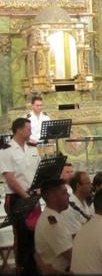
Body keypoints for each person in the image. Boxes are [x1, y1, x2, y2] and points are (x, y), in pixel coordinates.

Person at [0, 118, 41, 275]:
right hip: (17, 198)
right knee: (22, 235)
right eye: (28, 128)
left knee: (35, 234)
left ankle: (35, 266)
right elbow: (10, 177)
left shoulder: (32, 149)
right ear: (18, 130)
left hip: (32, 196)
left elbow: (37, 172)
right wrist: (25, 196)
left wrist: (37, 191)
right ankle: (23, 269)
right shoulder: (6, 150)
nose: (30, 131)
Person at [34, 179, 73, 273]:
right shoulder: (51, 221)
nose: (68, 195)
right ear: (52, 197)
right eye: (64, 193)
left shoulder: (54, 215)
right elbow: (71, 256)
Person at [62, 171, 94, 235]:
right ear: (78, 186)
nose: (91, 186)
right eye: (88, 184)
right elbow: (76, 236)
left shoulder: (84, 201)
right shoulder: (69, 208)